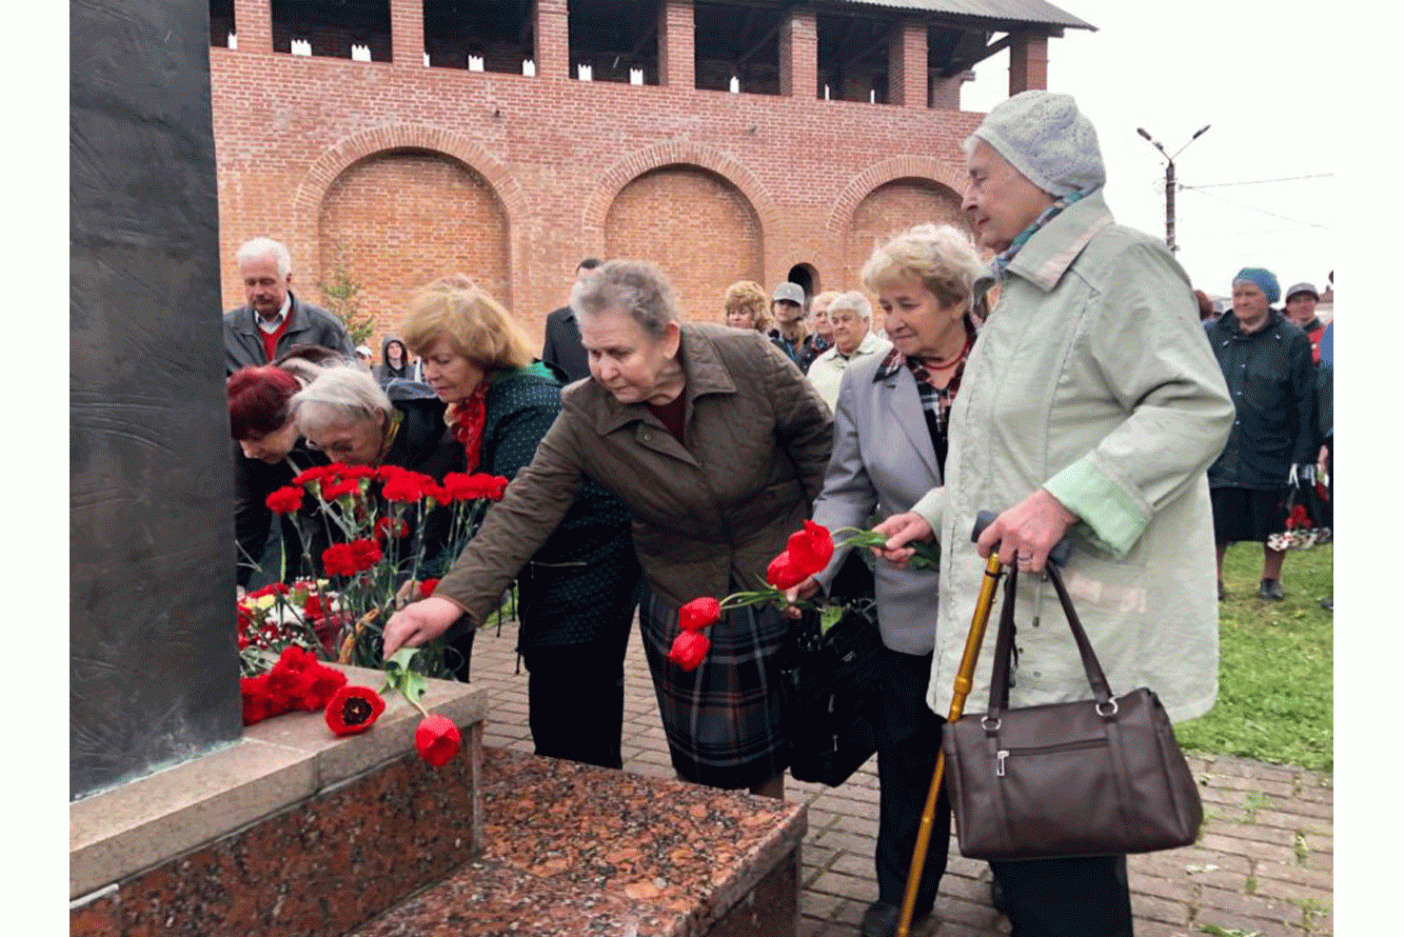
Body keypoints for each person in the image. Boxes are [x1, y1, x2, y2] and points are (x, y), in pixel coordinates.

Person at [876, 91, 1234, 937]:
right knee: (1030, 837)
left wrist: (1068, 500)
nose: (966, 197)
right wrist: (936, 509)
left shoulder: (1120, 266)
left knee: (1062, 847)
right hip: (1014, 620)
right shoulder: (1025, 291)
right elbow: (1009, 448)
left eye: (981, 177)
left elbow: (1192, 406)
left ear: (1045, 181)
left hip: (1069, 625)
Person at [382, 259, 834, 798]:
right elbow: (527, 504)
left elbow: (823, 452)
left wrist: (822, 556)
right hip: (685, 594)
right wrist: (452, 599)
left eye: (618, 353)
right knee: (705, 768)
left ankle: (773, 858)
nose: (602, 370)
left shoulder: (750, 359)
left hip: (778, 579)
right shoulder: (584, 412)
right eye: (593, 353)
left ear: (667, 338)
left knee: (775, 756)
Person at [785, 224, 984, 937]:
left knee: (1008, 750)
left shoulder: (1005, 366)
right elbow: (846, 490)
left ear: (958, 298)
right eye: (885, 305)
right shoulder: (869, 382)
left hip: (1005, 599)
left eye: (908, 304)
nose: (893, 320)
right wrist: (817, 563)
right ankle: (903, 894)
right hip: (910, 603)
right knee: (908, 751)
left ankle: (1019, 873)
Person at [400, 278, 641, 769]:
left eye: (443, 360)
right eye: (424, 361)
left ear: (482, 352)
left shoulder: (529, 403)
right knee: (559, 697)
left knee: (572, 703)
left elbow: (512, 511)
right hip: (559, 567)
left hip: (585, 567)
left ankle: (584, 802)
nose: (431, 374)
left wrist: (444, 583)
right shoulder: (494, 398)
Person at [1206, 268, 1317, 601]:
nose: (1241, 301)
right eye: (1237, 294)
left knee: (1275, 514)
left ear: (1268, 298)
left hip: (1273, 440)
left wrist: (1303, 452)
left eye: (1250, 294)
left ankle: (1271, 579)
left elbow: (1305, 399)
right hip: (1224, 442)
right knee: (1218, 514)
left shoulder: (1291, 338)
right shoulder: (1214, 334)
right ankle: (1213, 579)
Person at [227, 345, 346, 589]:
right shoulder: (250, 423)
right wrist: (229, 589)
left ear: (293, 418)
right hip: (305, 535)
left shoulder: (342, 417)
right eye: (241, 442)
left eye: (257, 440)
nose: (249, 453)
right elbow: (246, 520)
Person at [224, 236, 354, 374]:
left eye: (267, 282)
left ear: (288, 280)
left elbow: (354, 385)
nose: (258, 291)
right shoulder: (226, 331)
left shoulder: (326, 328)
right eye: (250, 283)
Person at [804, 290, 893, 410]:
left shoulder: (888, 355)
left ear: (865, 322)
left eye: (846, 319)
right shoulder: (819, 366)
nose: (839, 326)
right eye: (835, 321)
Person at [542, 258, 603, 382]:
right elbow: (548, 367)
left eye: (595, 282)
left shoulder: (619, 320)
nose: (588, 288)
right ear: (575, 283)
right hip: (569, 398)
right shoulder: (556, 321)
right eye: (583, 282)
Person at [1283, 281, 1326, 364]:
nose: (1303, 305)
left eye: (1308, 300)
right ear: (1288, 307)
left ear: (1316, 303)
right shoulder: (1280, 337)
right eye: (1297, 301)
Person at [769, 281, 809, 366]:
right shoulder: (764, 335)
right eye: (781, 302)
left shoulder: (807, 340)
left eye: (792, 304)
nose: (785, 307)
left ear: (800, 310)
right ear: (773, 306)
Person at [798, 290, 837, 372]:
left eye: (827, 314)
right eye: (818, 315)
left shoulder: (847, 347)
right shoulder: (804, 353)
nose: (822, 320)